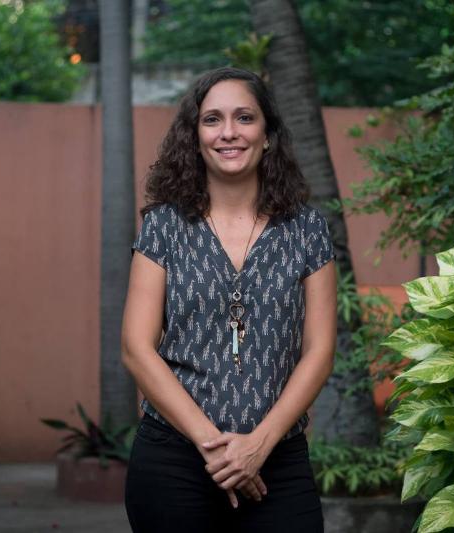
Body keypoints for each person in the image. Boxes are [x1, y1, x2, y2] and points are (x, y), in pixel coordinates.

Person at [121, 66, 336, 533]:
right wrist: (218, 449)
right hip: (173, 463)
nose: (229, 133)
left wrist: (258, 446)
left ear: (268, 134)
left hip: (277, 461)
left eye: (244, 117)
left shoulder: (307, 230)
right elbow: (137, 348)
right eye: (212, 119)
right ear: (194, 136)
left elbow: (318, 352)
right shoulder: (164, 226)